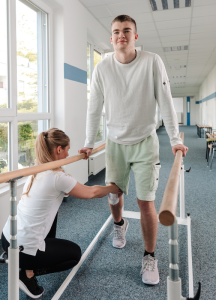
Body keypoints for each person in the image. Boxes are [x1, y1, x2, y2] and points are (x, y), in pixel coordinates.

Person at [78, 15, 188, 285]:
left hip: (144, 142)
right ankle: (119, 226)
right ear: (111, 37)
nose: (121, 36)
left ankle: (149, 256)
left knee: (145, 202)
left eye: (127, 31)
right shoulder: (102, 68)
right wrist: (89, 142)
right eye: (116, 32)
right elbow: (94, 109)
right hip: (115, 143)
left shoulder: (151, 61)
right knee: (114, 197)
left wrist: (174, 138)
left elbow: (165, 102)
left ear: (135, 36)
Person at [2, 128, 121, 298]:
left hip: (7, 238)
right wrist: (116, 188)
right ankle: (27, 274)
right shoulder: (57, 178)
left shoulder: (37, 170)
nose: (68, 154)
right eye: (67, 149)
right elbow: (91, 193)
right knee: (74, 255)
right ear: (59, 149)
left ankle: (28, 263)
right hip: (22, 248)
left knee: (53, 210)